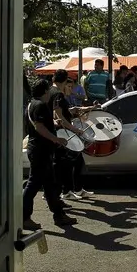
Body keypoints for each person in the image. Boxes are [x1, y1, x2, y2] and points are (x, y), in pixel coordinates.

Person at [22, 78, 77, 230]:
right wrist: (56, 139)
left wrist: (55, 124)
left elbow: (41, 124)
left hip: (41, 150)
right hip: (40, 150)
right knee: (33, 184)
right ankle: (23, 217)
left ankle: (59, 215)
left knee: (50, 185)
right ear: (45, 91)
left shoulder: (33, 104)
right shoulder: (39, 105)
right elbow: (39, 127)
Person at [49, 69, 96, 200]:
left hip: (63, 131)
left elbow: (61, 113)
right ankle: (63, 192)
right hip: (63, 132)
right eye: (68, 85)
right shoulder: (57, 94)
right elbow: (58, 115)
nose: (70, 88)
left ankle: (74, 190)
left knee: (74, 161)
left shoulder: (53, 92)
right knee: (65, 164)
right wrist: (75, 130)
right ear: (64, 80)